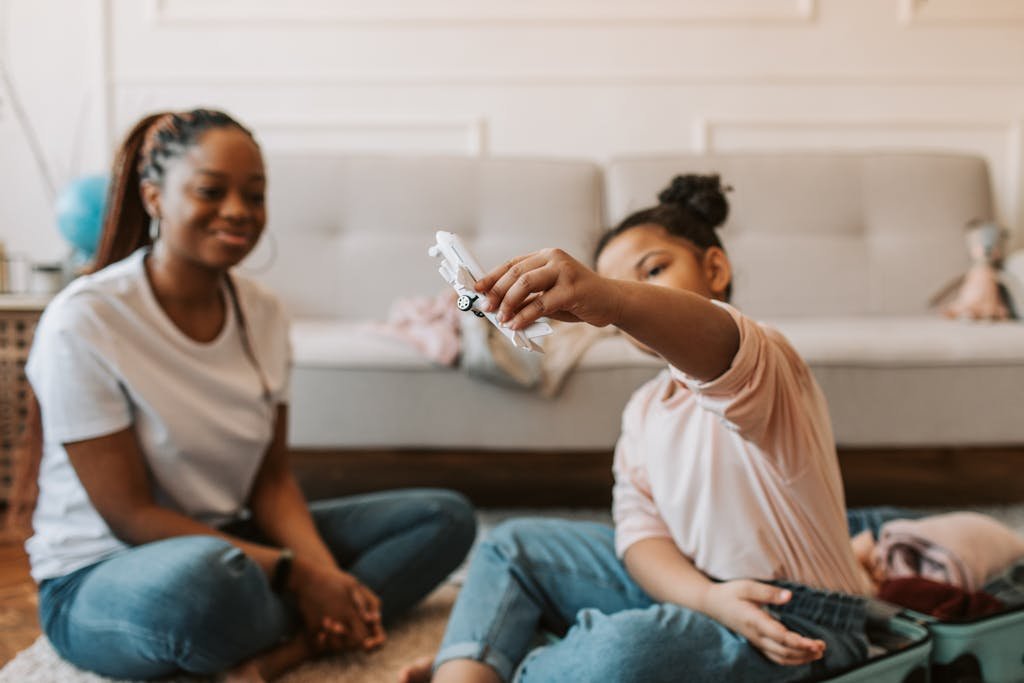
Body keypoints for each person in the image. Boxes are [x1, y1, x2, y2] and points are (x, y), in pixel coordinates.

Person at [17, 108, 476, 682]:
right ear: (154, 198)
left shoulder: (265, 313)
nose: (238, 211)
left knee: (443, 518)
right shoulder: (85, 321)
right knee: (200, 591)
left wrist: (323, 575)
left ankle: (283, 652)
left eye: (254, 196)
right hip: (105, 574)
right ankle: (298, 626)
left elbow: (272, 480)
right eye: (212, 191)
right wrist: (299, 577)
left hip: (232, 546)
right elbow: (130, 515)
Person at [400, 174, 881, 683]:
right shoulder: (643, 409)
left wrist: (614, 298)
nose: (629, 293)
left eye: (651, 270)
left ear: (715, 268)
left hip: (790, 618)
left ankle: (504, 661)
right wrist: (707, 597)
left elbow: (714, 340)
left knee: (628, 651)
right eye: (616, 284)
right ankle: (475, 670)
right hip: (697, 591)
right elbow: (641, 538)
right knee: (509, 544)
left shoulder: (765, 361)